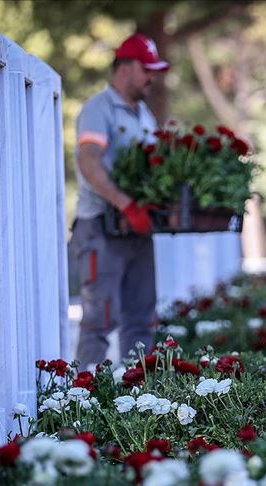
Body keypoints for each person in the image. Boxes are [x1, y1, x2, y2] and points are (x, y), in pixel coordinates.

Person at [71, 33, 169, 367]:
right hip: (100, 227)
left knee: (141, 322)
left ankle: (138, 395)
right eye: (146, 70)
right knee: (98, 323)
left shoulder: (144, 115)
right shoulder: (98, 109)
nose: (152, 77)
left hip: (137, 229)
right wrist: (125, 203)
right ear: (125, 68)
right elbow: (89, 162)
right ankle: (84, 396)